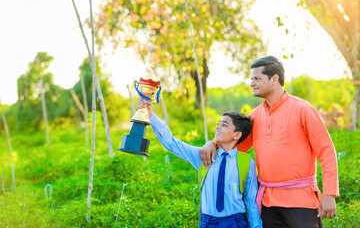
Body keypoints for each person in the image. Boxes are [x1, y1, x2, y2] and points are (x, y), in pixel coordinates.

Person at [200, 56, 339, 228]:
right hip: (267, 203)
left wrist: (330, 194)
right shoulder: (255, 116)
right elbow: (233, 145)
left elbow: (327, 151)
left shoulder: (304, 110)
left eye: (257, 78)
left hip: (302, 202)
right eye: (251, 79)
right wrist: (212, 143)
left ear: (274, 79)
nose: (252, 83)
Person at [137, 99, 262, 228]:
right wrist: (150, 114)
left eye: (224, 125)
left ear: (237, 135)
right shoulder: (203, 156)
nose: (217, 127)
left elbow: (251, 200)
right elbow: (172, 144)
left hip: (236, 222)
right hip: (208, 222)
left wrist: (257, 226)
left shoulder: (247, 162)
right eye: (218, 123)